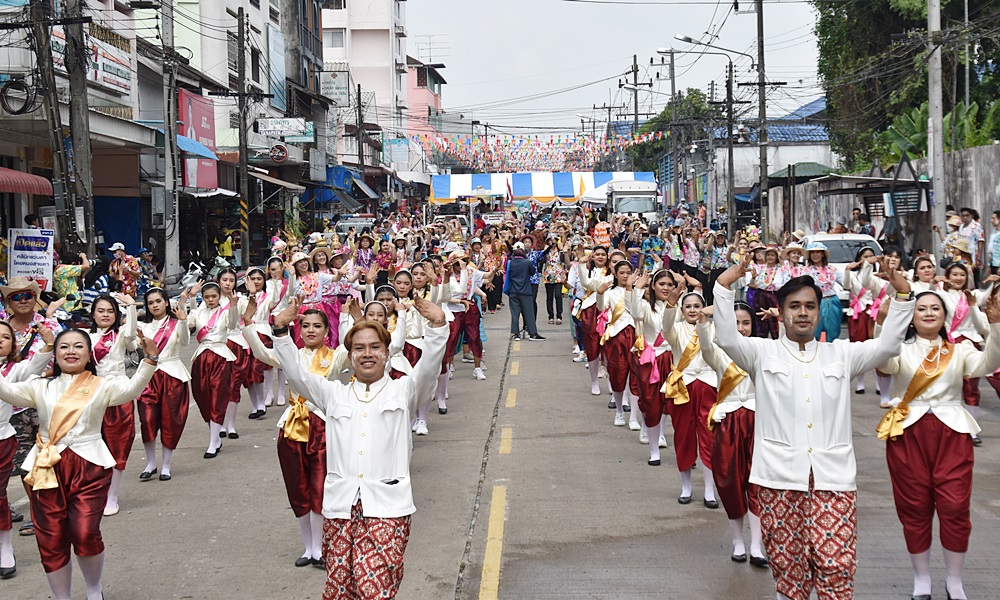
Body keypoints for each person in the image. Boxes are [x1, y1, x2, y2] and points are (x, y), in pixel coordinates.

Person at [714, 254, 914, 600]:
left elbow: (887, 346)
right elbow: (728, 339)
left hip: (833, 477)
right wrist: (722, 286)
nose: (802, 312)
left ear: (820, 311)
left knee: (836, 565)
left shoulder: (841, 354)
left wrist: (903, 296)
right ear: (781, 311)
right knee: (789, 569)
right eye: (794, 306)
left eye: (809, 305)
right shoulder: (762, 353)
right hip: (778, 478)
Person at [272, 294, 448, 600]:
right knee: (340, 589)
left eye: (375, 347)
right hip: (340, 507)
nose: (367, 354)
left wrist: (438, 326)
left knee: (374, 589)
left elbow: (430, 369)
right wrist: (280, 332)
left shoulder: (404, 390)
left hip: (388, 507)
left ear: (387, 352)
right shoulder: (333, 394)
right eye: (359, 348)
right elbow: (297, 376)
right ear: (350, 356)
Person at [0, 328, 159, 600]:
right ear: (55, 354)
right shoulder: (40, 386)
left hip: (90, 466)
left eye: (78, 346)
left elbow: (132, 389)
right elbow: (6, 391)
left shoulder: (103, 385)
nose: (70, 351)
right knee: (50, 538)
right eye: (63, 347)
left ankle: (94, 590)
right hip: (47, 468)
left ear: (89, 354)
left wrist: (150, 360)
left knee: (84, 532)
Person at [876, 289, 999, 600]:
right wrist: (882, 325)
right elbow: (882, 362)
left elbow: (987, 364)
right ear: (912, 319)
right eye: (921, 309)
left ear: (945, 316)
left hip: (952, 434)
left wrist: (995, 326)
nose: (929, 313)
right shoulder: (900, 352)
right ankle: (922, 579)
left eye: (935, 308)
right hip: (907, 435)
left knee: (955, 507)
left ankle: (954, 581)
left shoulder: (960, 351)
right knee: (914, 506)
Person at [243, 301, 335, 569]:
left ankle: (320, 547)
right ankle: (308, 547)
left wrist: (349, 317)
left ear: (327, 330)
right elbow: (261, 353)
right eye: (305, 325)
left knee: (320, 487)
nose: (310, 330)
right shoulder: (290, 352)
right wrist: (249, 324)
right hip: (292, 426)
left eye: (317, 326)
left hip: (321, 428)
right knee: (298, 487)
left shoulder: (335, 355)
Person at [698, 300, 767, 568]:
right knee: (728, 480)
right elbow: (705, 346)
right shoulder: (718, 352)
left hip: (757, 419)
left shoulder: (762, 348)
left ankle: (757, 544)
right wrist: (704, 321)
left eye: (746, 323)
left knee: (757, 481)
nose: (741, 328)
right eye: (736, 323)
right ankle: (738, 540)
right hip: (727, 420)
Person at [0, 322, 52, 579]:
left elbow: (36, 366)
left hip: (2, 438)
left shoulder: (15, 370)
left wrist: (49, 341)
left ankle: (6, 549)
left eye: (5, 337)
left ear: (12, 345)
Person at [660, 287, 718, 508]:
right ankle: (686, 487)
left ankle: (710, 490)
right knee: (683, 437)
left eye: (697, 306)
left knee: (709, 438)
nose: (693, 310)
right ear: (682, 310)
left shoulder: (712, 329)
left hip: (708, 387)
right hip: (682, 388)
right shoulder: (675, 329)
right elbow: (665, 328)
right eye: (688, 307)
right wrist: (670, 306)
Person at [87, 294, 138, 517]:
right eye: (101, 311)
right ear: (93, 314)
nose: (105, 315)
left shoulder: (120, 336)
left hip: (118, 393)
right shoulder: (85, 337)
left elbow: (132, 335)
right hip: (92, 394)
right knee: (91, 446)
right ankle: (95, 494)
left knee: (117, 445)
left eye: (110, 311)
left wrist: (132, 306)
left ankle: (112, 496)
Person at [626, 268, 675, 463]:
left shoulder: (677, 306)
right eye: (661, 284)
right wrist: (636, 288)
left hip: (673, 359)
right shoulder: (647, 307)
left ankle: (661, 432)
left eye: (669, 284)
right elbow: (636, 313)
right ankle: (653, 447)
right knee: (651, 401)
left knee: (669, 402)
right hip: (652, 359)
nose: (666, 288)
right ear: (653, 286)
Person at [189, 282, 239, 459]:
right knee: (202, 396)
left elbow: (233, 325)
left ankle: (213, 441)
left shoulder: (225, 312)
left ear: (219, 296)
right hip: (201, 357)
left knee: (218, 396)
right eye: (207, 297)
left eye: (213, 296)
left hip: (220, 356)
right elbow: (186, 324)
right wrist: (185, 300)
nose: (210, 300)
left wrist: (233, 306)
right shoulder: (198, 312)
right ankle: (215, 435)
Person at [597, 260, 642, 429]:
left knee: (636, 376)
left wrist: (633, 289)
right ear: (615, 274)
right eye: (621, 273)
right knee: (617, 374)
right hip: (616, 336)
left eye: (627, 272)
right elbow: (601, 307)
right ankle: (619, 411)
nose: (625, 276)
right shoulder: (611, 292)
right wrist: (600, 294)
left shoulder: (639, 291)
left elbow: (634, 310)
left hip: (636, 335)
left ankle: (634, 418)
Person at [575, 246, 612, 395]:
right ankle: (594, 382)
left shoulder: (612, 272)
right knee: (592, 347)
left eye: (603, 254)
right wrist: (582, 263)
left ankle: (611, 381)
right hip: (591, 309)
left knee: (609, 348)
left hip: (608, 309)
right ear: (593, 256)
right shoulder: (589, 270)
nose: (601, 257)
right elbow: (586, 283)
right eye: (597, 255)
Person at [505, 244, 542, 341]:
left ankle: (516, 334)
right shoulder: (528, 263)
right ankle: (532, 333)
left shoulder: (510, 263)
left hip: (513, 290)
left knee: (515, 313)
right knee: (529, 312)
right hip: (525, 291)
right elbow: (533, 272)